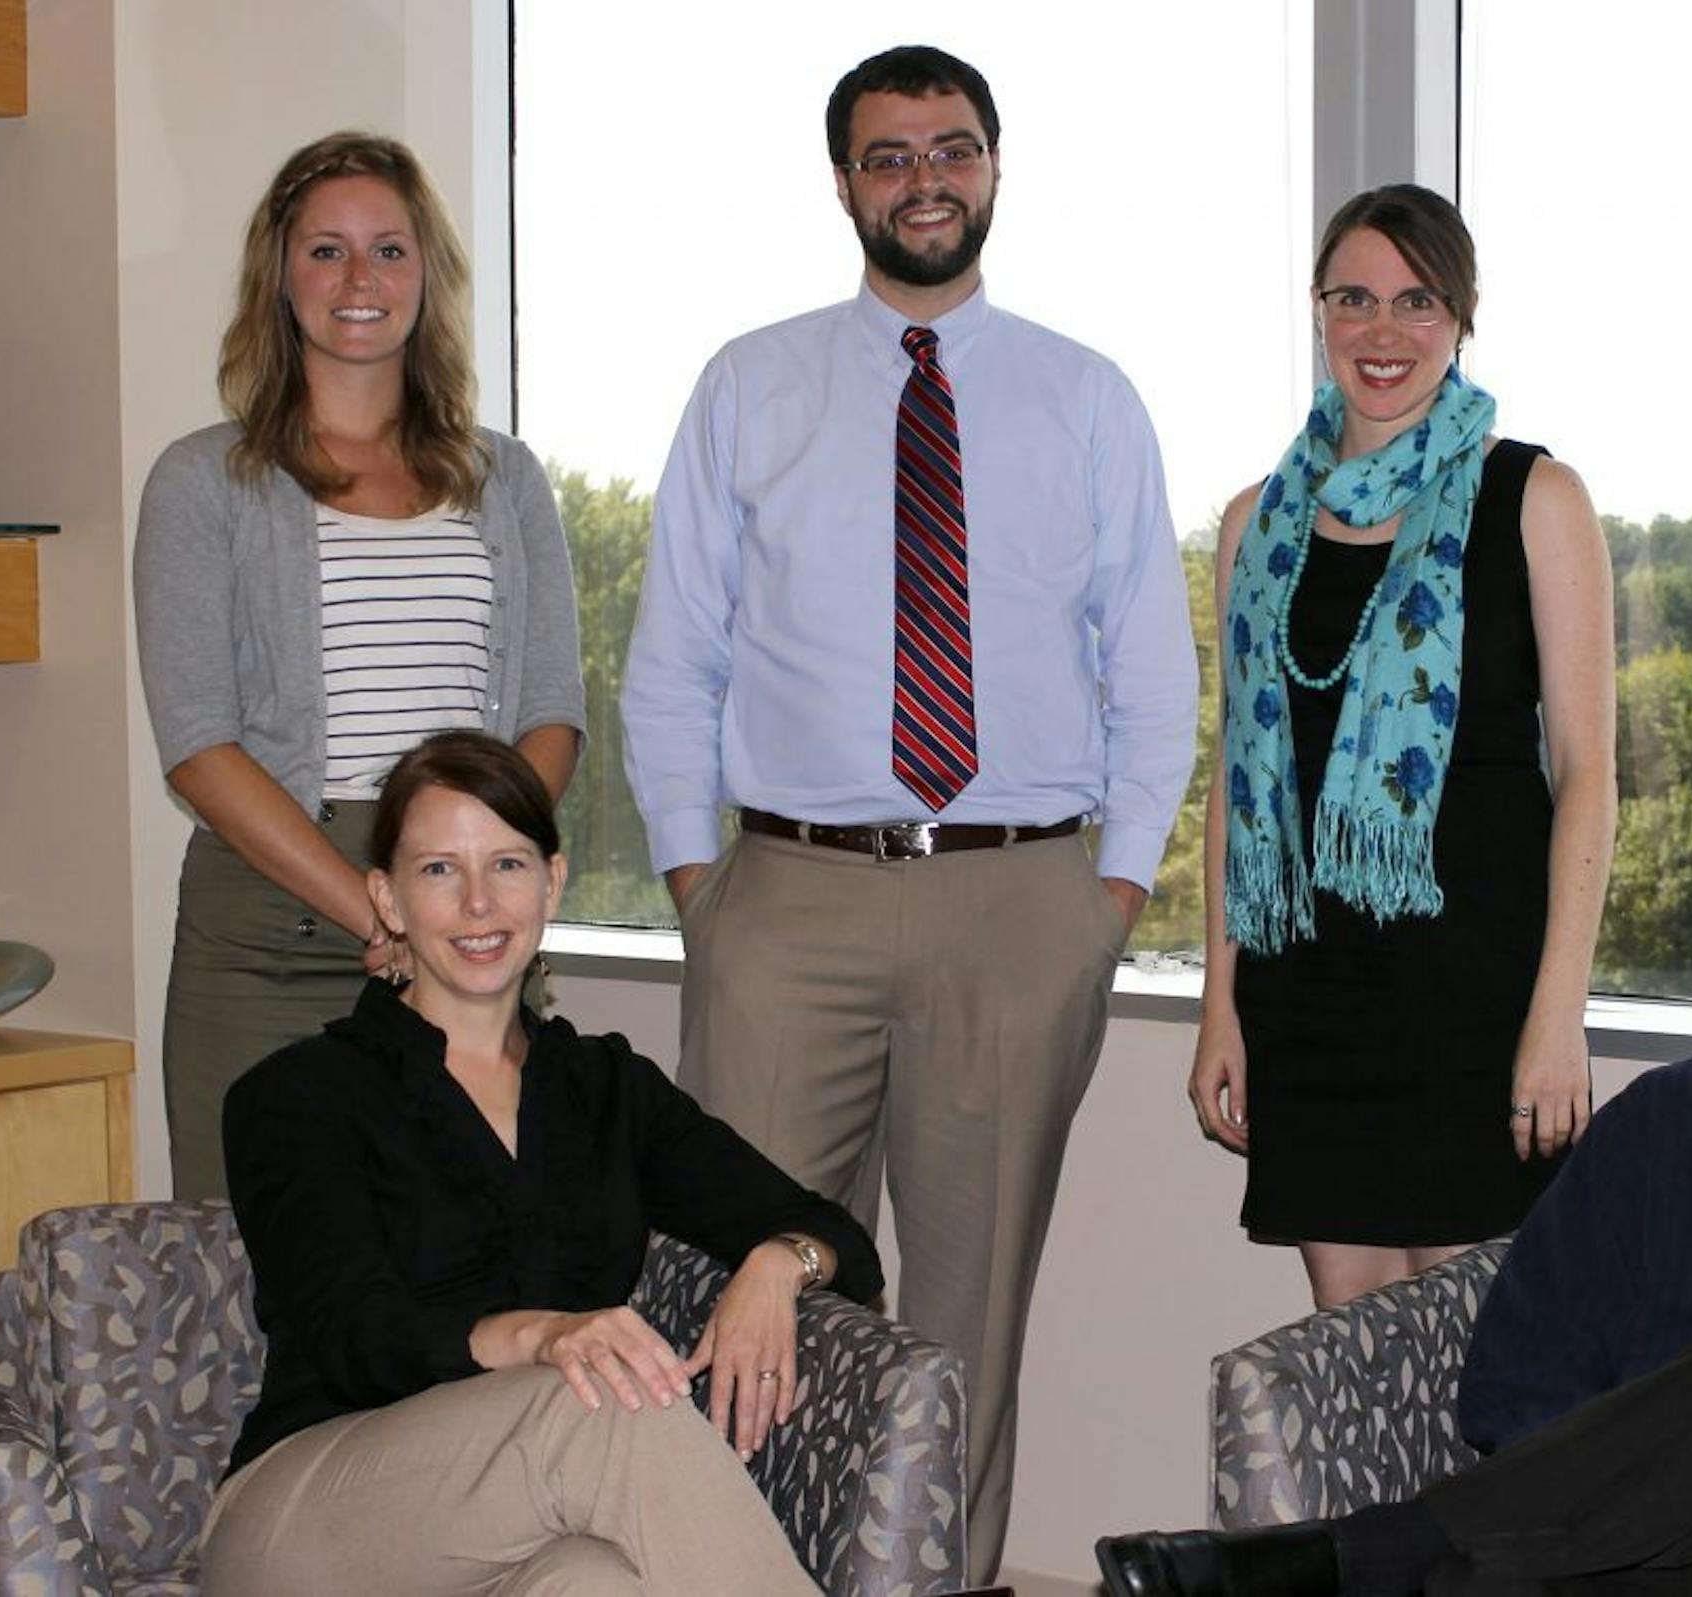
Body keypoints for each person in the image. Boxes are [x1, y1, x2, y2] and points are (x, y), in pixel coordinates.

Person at [619, 44, 1198, 1578]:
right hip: (785, 901)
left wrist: (1105, 906)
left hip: (1022, 905)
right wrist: (701, 893)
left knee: (962, 1316)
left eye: (951, 148)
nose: (922, 178)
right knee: (744, 1286)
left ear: (995, 169)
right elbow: (672, 660)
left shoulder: (1086, 399)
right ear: (844, 184)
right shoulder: (751, 384)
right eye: (889, 155)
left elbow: (1152, 675)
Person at [1098, 757, 1692, 1596]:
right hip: (1667, 1561)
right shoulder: (1669, 1121)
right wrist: (1671, 1477)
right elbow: (1512, 1384)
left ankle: (1363, 1559)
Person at [202, 731, 883, 1596]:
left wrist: (780, 1261)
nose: (480, 903)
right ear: (389, 898)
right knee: (603, 1399)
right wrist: (539, 1333)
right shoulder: (298, 1095)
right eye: (441, 870)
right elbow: (352, 1338)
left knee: (595, 1581)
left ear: (552, 881)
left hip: (513, 1527)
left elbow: (843, 1240)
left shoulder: (606, 1089)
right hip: (310, 1520)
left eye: (509, 865)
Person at [133, 132, 585, 1202]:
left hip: (465, 926)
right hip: (271, 941)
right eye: (325, 251)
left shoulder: (505, 478)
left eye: (388, 249)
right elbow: (200, 746)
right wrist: (377, 911)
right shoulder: (202, 483)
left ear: (427, 275)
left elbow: (552, 715)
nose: (359, 279)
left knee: (474, 1256)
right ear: (279, 278)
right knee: (247, 1286)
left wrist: (463, 890)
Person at [1187, 185, 1615, 1308]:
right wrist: (1220, 1008)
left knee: (1479, 1370)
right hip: (1312, 1002)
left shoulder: (1537, 498)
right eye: (1355, 299)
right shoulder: (1255, 523)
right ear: (1319, 312)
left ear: (1462, 317)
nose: (1384, 332)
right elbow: (1243, 783)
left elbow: (1586, 776)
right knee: (1353, 1373)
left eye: (1417, 301)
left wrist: (1558, 1015)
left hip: (1480, 999)